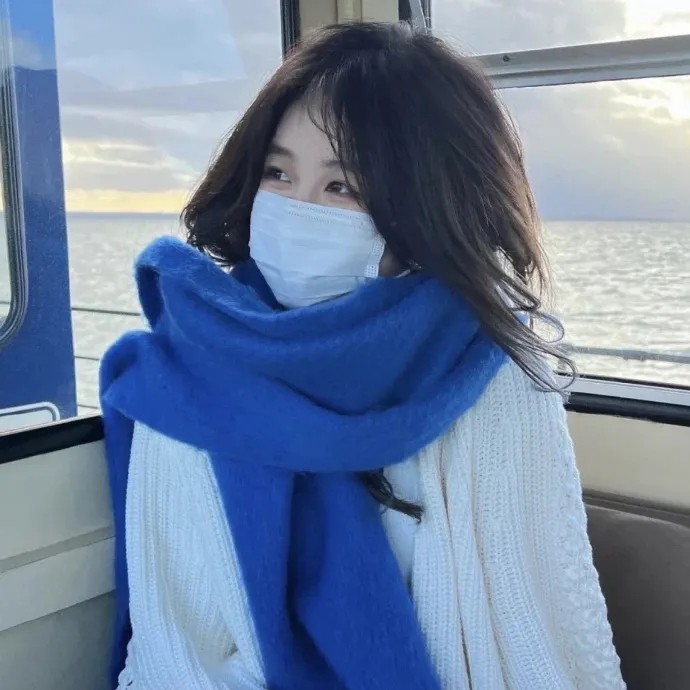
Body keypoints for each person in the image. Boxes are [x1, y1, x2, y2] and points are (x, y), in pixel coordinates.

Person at [100, 21, 626, 690]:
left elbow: (535, 627)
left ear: (426, 206)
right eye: (277, 172)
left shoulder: (491, 371)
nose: (297, 208)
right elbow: (178, 648)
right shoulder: (187, 372)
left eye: (342, 187)